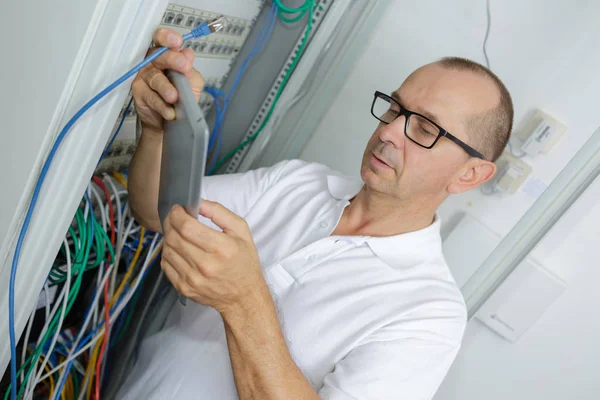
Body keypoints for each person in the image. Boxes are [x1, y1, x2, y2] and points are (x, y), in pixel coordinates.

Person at [119, 27, 513, 400]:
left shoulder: (428, 314)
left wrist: (243, 301)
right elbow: (156, 210)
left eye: (425, 129)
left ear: (470, 174)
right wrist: (158, 129)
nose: (389, 132)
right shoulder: (297, 183)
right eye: (395, 109)